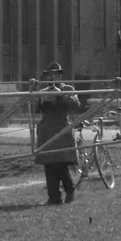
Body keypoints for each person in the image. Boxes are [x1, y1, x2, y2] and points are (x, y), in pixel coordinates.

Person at [34, 62, 80, 205]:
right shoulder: (43, 91)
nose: (51, 77)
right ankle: (53, 197)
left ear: (60, 75)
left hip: (61, 130)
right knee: (49, 165)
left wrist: (60, 95)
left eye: (55, 74)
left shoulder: (67, 88)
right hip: (46, 131)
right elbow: (36, 108)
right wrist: (34, 91)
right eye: (49, 75)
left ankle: (70, 191)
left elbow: (76, 105)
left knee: (60, 164)